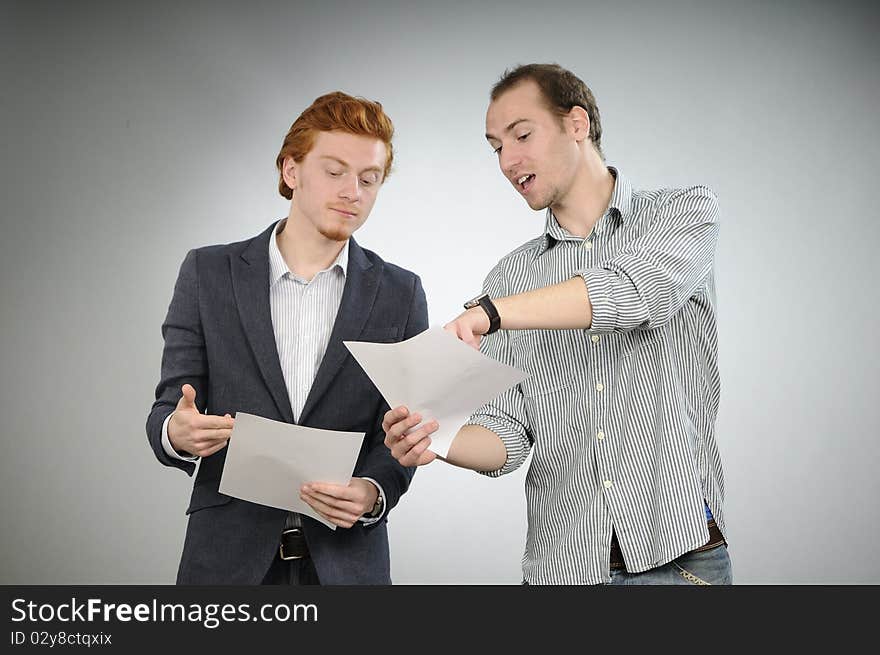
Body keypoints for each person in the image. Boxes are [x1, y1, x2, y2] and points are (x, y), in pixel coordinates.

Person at [383, 64, 731, 585]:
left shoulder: (682, 213)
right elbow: (508, 431)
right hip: (561, 569)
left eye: (521, 135)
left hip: (679, 559)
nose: (507, 160)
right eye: (495, 146)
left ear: (577, 124)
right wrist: (438, 440)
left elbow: (636, 294)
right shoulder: (510, 276)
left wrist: (495, 312)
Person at [146, 91, 427, 585]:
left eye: (369, 179)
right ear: (291, 170)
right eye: (334, 171)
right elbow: (170, 406)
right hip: (226, 564)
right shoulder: (209, 272)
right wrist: (177, 432)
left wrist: (371, 491)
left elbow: (405, 430)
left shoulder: (401, 293)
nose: (353, 192)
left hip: (348, 565)